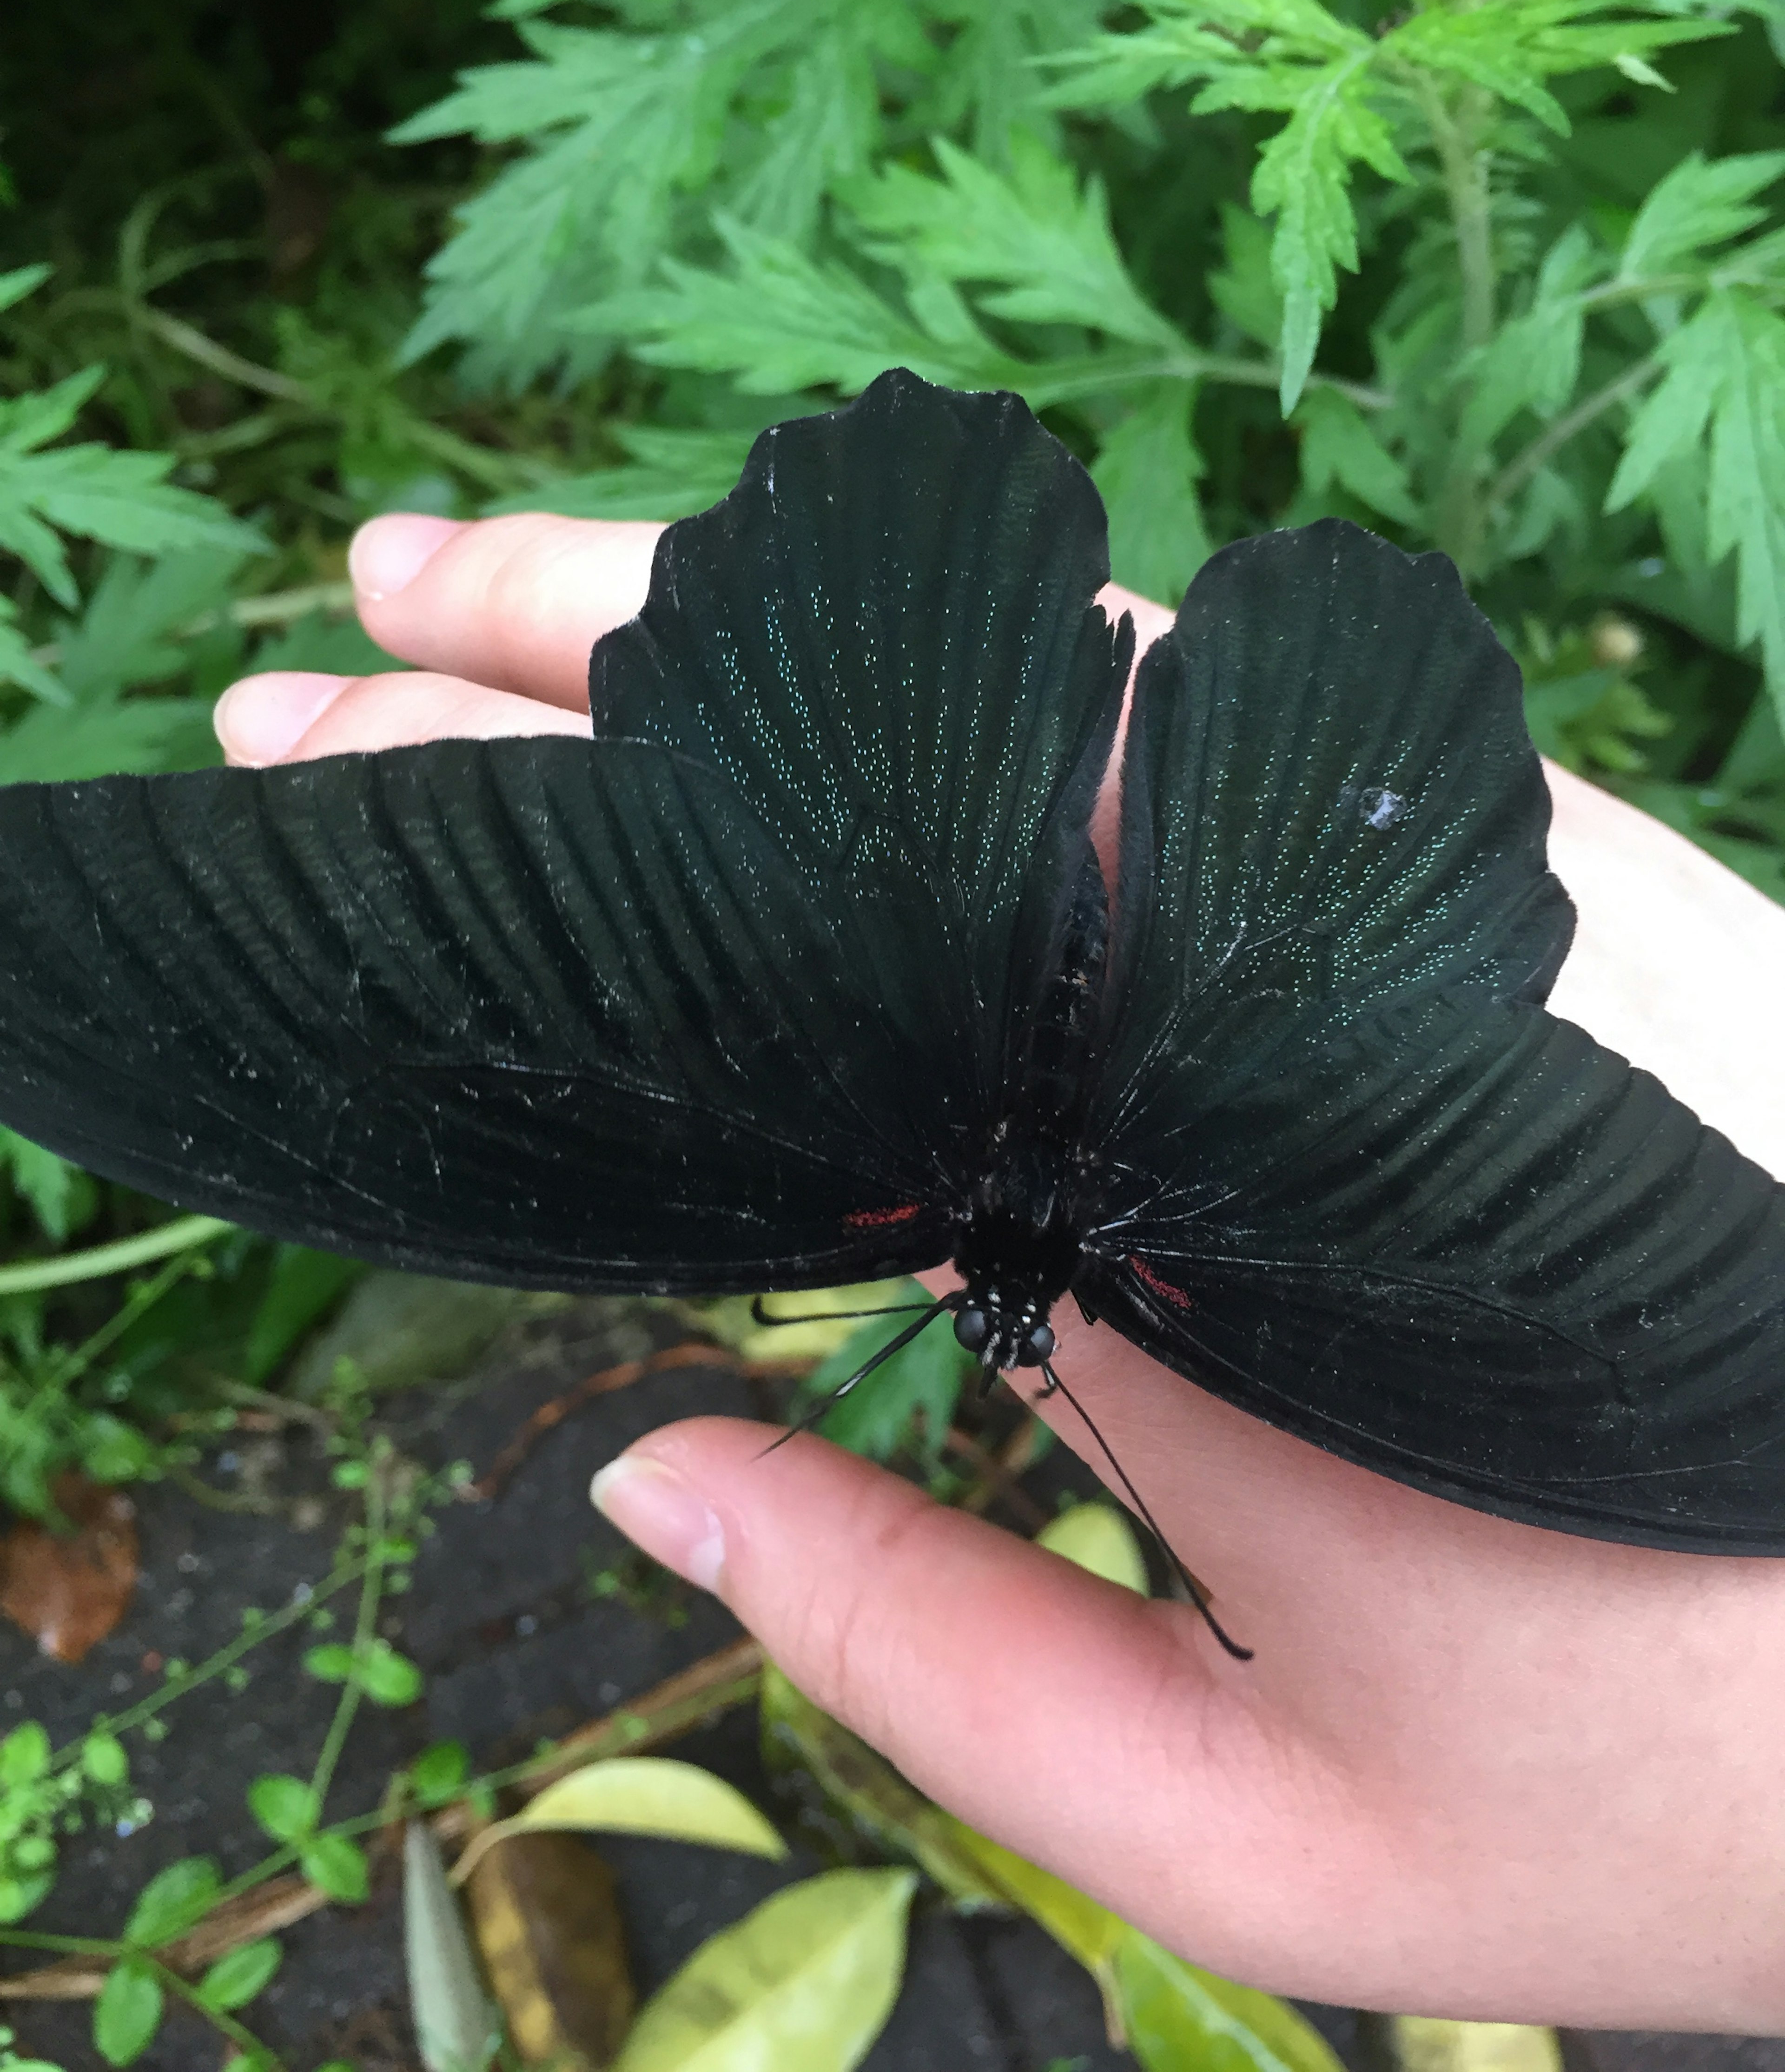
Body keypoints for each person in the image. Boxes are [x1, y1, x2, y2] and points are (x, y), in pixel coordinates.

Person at [215, 509, 1785, 2037]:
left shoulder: (928, 1211)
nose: (994, 1335)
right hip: (1272, 930)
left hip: (942, 841)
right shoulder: (1198, 1285)